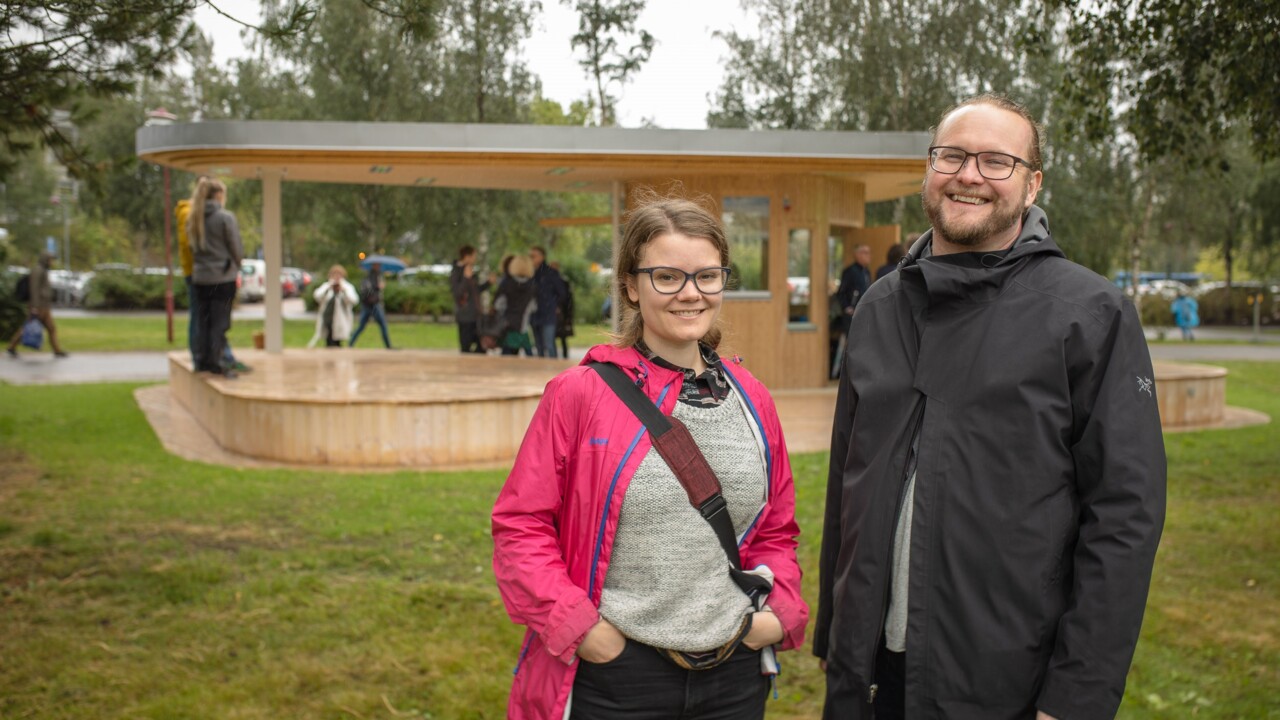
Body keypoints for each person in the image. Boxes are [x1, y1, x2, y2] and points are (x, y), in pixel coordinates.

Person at [816, 94, 1166, 720]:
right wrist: (836, 637)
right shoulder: (879, 308)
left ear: (1032, 185)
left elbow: (1124, 517)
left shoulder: (1089, 315)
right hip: (868, 678)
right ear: (929, 169)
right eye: (952, 156)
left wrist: (1078, 696)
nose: (969, 175)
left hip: (1003, 682)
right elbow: (848, 483)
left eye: (997, 161)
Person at [492, 194, 808, 720]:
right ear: (631, 287)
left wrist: (777, 614)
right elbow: (521, 525)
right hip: (618, 676)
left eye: (707, 276)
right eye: (667, 277)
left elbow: (776, 528)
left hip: (735, 673)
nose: (690, 293)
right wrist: (582, 631)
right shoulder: (580, 395)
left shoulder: (752, 397)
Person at [176, 177, 248, 373]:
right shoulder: (225, 218)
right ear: (218, 195)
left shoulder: (192, 218)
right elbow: (235, 247)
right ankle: (217, 362)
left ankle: (202, 361)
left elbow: (190, 249)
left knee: (203, 321)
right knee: (219, 323)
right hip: (222, 278)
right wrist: (237, 264)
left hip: (200, 278)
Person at [7, 250, 68, 358]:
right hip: (38, 306)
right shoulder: (38, 270)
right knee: (29, 327)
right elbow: (34, 289)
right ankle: (12, 346)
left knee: (51, 328)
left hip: (44, 305)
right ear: (46, 259)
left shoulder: (44, 270)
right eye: (51, 260)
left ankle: (57, 350)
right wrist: (34, 306)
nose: (52, 262)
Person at [450, 245, 493, 353]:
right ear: (467, 256)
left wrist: (488, 283)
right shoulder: (456, 272)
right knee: (466, 347)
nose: (475, 259)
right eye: (474, 256)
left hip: (476, 316)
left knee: (482, 347)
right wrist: (466, 278)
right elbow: (458, 293)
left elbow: (475, 290)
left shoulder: (469, 270)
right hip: (465, 316)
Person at [492, 254, 537, 356]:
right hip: (523, 325)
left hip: (508, 324)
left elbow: (498, 304)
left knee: (506, 356)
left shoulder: (506, 283)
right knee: (530, 356)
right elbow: (533, 307)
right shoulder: (532, 285)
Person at [529, 246, 568, 358]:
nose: (531, 258)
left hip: (548, 313)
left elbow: (562, 292)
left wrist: (556, 306)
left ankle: (554, 367)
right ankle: (540, 367)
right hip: (535, 313)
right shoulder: (530, 273)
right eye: (530, 256)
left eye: (534, 256)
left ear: (542, 257)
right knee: (538, 345)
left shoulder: (551, 273)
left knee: (549, 344)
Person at [308, 264, 358, 348]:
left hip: (341, 317)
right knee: (329, 336)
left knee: (337, 337)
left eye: (339, 274)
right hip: (328, 316)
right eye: (335, 274)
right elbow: (317, 296)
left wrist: (343, 291)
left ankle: (335, 350)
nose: (337, 277)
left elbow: (354, 300)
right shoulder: (327, 285)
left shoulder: (347, 287)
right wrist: (328, 289)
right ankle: (331, 350)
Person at [349, 263, 392, 348]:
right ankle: (350, 344)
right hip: (371, 305)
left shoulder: (378, 275)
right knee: (364, 326)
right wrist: (378, 287)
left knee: (380, 325)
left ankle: (350, 344)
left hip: (372, 304)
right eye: (377, 265)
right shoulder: (370, 276)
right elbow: (369, 289)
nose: (378, 267)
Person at [553, 262, 575, 359]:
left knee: (562, 337)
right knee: (555, 338)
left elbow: (568, 300)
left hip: (562, 313)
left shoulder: (563, 282)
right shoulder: (559, 281)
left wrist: (568, 315)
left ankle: (564, 356)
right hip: (560, 313)